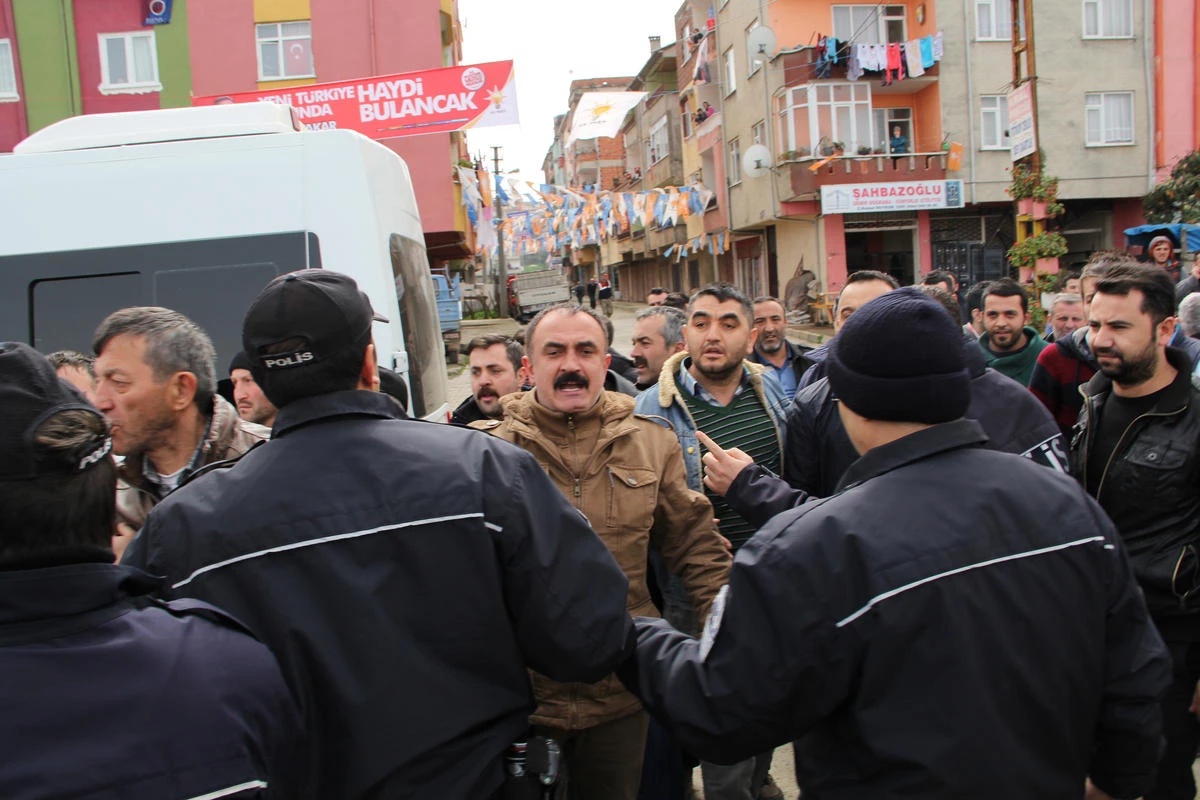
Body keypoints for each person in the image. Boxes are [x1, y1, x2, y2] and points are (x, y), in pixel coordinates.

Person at [621, 288, 1171, 800]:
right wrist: (1119, 778)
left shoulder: (813, 546)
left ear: (848, 400)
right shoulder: (1063, 501)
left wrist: (630, 633)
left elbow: (723, 709)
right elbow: (1135, 670)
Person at [121, 270, 636, 799]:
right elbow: (591, 639)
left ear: (259, 380)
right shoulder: (484, 472)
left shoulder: (182, 527)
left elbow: (138, 701)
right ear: (370, 364)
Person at [0, 342, 304, 798]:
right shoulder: (228, 666)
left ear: (181, 389)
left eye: (118, 381)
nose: (105, 398)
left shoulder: (265, 468)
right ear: (106, 501)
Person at [472, 303, 731, 800]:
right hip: (522, 699)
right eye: (555, 351)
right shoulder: (486, 453)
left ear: (604, 364)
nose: (571, 364)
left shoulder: (652, 443)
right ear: (528, 369)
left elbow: (695, 548)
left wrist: (734, 630)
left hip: (621, 693)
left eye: (585, 350)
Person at [717, 284, 1067, 523]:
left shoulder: (1013, 412)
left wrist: (751, 489)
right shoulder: (816, 400)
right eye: (849, 315)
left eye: (876, 316)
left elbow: (850, 530)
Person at [634, 284, 788, 800]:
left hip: (773, 581)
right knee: (713, 711)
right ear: (686, 334)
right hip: (693, 591)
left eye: (727, 323)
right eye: (700, 323)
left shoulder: (775, 398)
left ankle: (755, 778)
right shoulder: (649, 410)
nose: (712, 335)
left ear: (751, 334)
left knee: (769, 699)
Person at [1069, 263, 1200, 800]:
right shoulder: (1092, 401)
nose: (1101, 339)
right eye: (1096, 325)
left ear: (1165, 330)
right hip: (1092, 628)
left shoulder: (1194, 418)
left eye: (1119, 327)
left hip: (1172, 637)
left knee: (1160, 777)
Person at [91, 307, 270, 539]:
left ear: (181, 390)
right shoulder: (111, 492)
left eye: (118, 382)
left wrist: (139, 565)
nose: (99, 401)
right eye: (98, 381)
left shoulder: (270, 459)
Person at [1030, 253, 1128, 437]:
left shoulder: (1151, 358)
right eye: (1092, 298)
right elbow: (1035, 430)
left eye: (1113, 295)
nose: (1102, 305)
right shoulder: (1054, 357)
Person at [796, 270, 898, 392]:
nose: (860, 324)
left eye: (876, 314)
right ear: (836, 323)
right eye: (849, 316)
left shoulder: (923, 380)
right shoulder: (815, 378)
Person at [977, 278, 1047, 386]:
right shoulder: (969, 360)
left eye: (1010, 314)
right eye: (993, 315)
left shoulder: (1050, 359)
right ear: (982, 317)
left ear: (1026, 318)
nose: (1001, 323)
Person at [451, 333, 524, 425]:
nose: (483, 381)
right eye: (475, 372)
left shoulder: (544, 418)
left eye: (495, 371)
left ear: (521, 376)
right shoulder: (459, 429)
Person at [748, 295, 813, 398]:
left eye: (775, 319)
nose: (769, 328)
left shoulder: (810, 360)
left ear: (785, 322)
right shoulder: (742, 369)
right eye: (760, 321)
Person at [630, 305, 686, 391]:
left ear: (677, 350)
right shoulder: (629, 398)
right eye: (634, 344)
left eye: (645, 343)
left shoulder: (703, 398)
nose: (634, 353)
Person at [229, 351, 278, 427]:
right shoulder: (228, 437)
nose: (239, 396)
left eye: (248, 380)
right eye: (234, 383)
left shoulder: (300, 436)